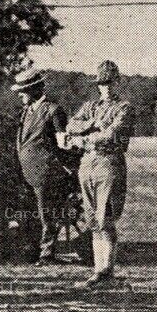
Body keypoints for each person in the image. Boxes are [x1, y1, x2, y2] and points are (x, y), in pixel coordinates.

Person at [63, 59, 133, 288]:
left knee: (106, 219)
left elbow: (112, 135)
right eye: (102, 83)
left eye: (110, 82)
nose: (106, 87)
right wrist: (93, 124)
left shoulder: (124, 107)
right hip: (87, 164)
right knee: (93, 220)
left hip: (108, 164)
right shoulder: (90, 106)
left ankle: (107, 272)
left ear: (117, 81)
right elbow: (71, 125)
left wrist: (84, 138)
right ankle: (98, 271)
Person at [12, 66, 76, 265]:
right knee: (32, 212)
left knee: (45, 212)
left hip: (45, 170)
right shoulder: (26, 111)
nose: (21, 95)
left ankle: (47, 254)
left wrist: (67, 166)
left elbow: (62, 142)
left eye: (23, 91)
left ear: (34, 90)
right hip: (27, 170)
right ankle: (36, 250)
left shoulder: (53, 110)